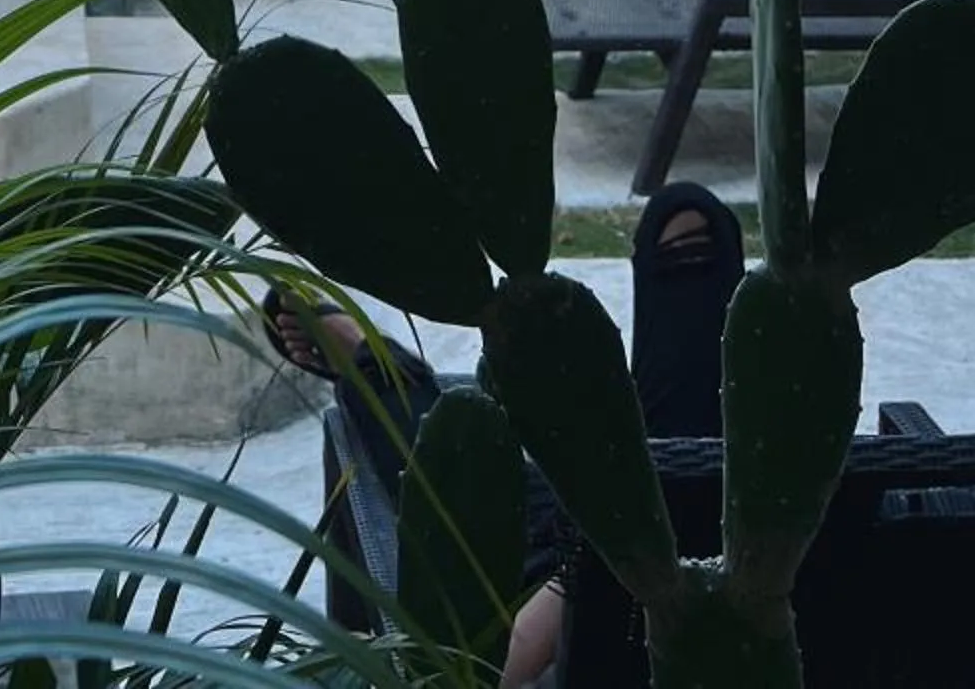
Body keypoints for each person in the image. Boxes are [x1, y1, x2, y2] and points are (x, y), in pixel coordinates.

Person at [265, 183, 744, 686]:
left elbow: (492, 670)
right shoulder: (792, 493)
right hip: (704, 509)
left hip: (581, 565)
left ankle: (380, 370)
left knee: (461, 457)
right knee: (667, 452)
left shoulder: (615, 552)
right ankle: (381, 373)